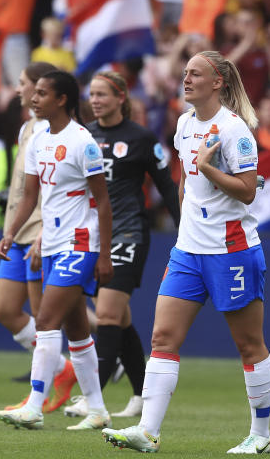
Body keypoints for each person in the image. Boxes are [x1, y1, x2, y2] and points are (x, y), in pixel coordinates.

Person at [101, 51, 270, 454]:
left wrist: (210, 169)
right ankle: (148, 431)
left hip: (232, 251)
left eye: (196, 73)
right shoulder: (183, 124)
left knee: (249, 344)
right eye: (185, 73)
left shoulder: (235, 131)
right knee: (162, 336)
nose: (186, 79)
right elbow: (184, 183)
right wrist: (184, 228)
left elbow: (248, 191)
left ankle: (261, 434)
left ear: (218, 83)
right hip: (188, 251)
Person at [0, 70, 114, 431]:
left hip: (80, 243)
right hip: (53, 244)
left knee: (45, 320)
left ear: (62, 99)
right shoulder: (38, 140)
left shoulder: (83, 142)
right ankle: (97, 409)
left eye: (42, 93)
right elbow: (31, 196)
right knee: (77, 329)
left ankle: (33, 405)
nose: (34, 98)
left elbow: (103, 202)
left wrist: (105, 254)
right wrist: (12, 232)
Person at [80, 71, 181, 420]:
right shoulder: (84, 135)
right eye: (92, 94)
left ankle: (93, 398)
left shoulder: (140, 138)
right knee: (118, 319)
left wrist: (183, 228)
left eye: (102, 94)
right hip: (92, 236)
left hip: (128, 233)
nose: (95, 100)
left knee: (106, 313)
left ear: (121, 97)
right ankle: (140, 395)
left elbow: (167, 185)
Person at [0, 62, 78, 414]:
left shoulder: (58, 133)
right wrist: (11, 228)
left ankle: (40, 393)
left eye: (25, 84)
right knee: (4, 309)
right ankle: (62, 369)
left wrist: (45, 231)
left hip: (44, 232)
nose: (19, 90)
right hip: (20, 229)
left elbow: (58, 190)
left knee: (46, 317)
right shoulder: (27, 127)